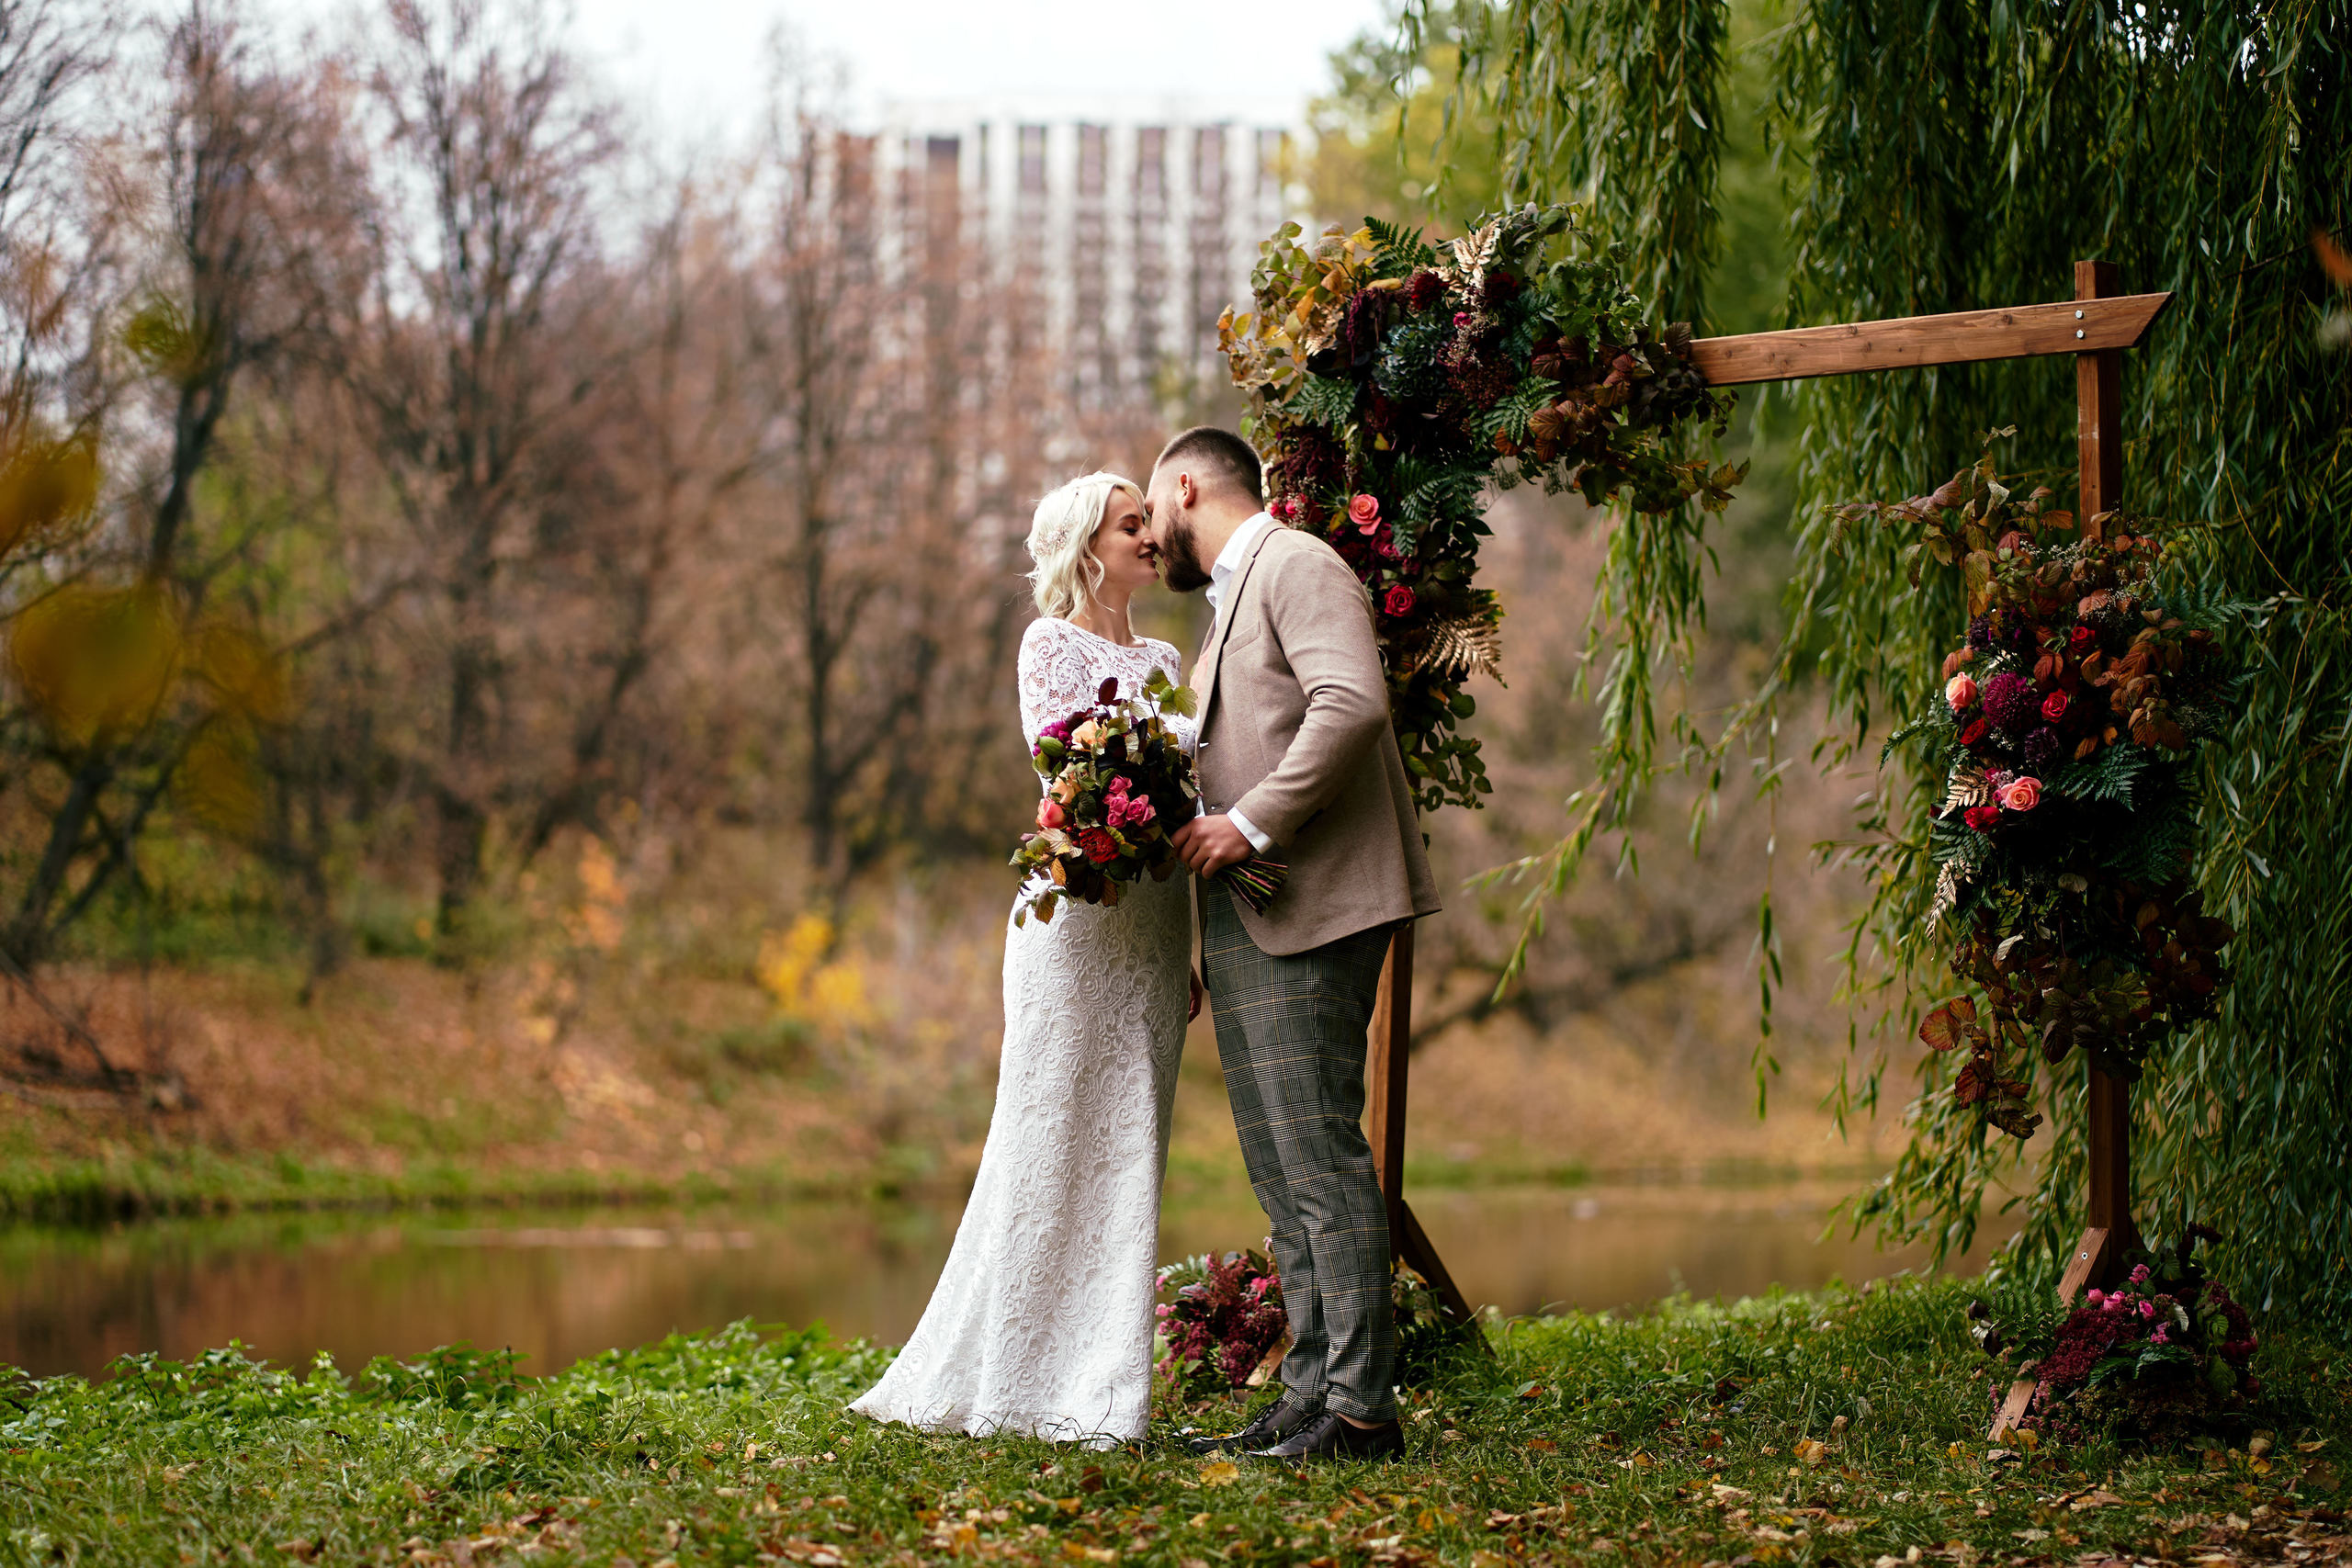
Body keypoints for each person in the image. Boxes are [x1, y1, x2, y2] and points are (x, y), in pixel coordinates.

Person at [846, 471, 1202, 1447]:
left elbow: (1191, 799)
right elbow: (1063, 769)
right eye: (1130, 524)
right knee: (1048, 1134)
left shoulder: (1168, 658)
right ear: (1087, 546)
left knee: (1131, 1140)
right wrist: (1141, 782)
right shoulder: (1048, 644)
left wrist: (1191, 944)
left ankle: (1105, 1382)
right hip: (1076, 920)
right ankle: (1015, 1376)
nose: (1149, 535)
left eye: (1148, 521)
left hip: (1156, 924)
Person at [1146, 425, 1442, 1463]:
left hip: (1317, 902)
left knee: (1319, 1156)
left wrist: (1250, 823)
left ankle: (1361, 1414)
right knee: (1281, 1171)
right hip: (1249, 914)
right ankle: (1310, 1392)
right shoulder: (1232, 598)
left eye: (1152, 510)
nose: (1150, 534)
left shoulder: (1296, 562)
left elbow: (1351, 702)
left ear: (1186, 486)